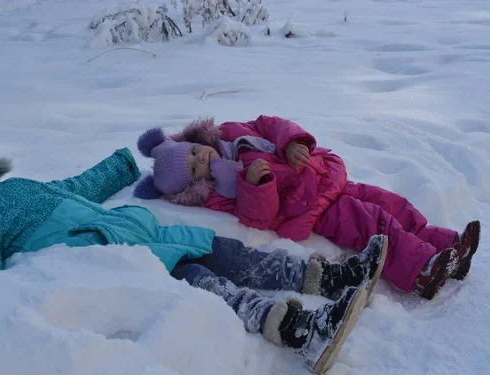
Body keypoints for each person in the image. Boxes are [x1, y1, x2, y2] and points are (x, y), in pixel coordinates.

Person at [0, 149, 386, 374]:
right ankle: (299, 329)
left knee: (228, 251)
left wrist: (118, 167)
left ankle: (330, 274)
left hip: (132, 226)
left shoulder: (9, 185)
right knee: (201, 280)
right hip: (102, 247)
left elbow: (73, 189)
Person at [133, 115, 481, 300]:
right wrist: (255, 185)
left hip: (326, 175)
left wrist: (291, 143)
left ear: (194, 140)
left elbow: (272, 124)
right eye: (194, 168)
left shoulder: (232, 131)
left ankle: (444, 246)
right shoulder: (219, 192)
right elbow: (260, 218)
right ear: (193, 185)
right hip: (312, 208)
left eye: (193, 152)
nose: (201, 159)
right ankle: (420, 270)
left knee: (394, 206)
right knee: (374, 222)